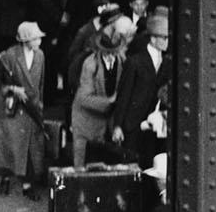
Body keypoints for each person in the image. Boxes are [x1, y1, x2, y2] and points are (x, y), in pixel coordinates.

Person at [0, 21, 47, 197]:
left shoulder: (40, 56)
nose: (39, 41)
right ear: (25, 40)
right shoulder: (10, 56)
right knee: (11, 144)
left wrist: (40, 104)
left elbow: (41, 83)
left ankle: (27, 185)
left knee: (30, 147)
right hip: (14, 107)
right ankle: (6, 178)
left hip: (31, 106)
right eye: (35, 38)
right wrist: (14, 89)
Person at [112, 12, 172, 168]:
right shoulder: (135, 62)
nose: (167, 42)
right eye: (164, 38)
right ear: (153, 39)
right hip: (133, 124)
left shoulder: (167, 63)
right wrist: (118, 125)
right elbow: (124, 94)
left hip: (154, 124)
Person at [71, 23, 128, 168]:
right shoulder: (90, 64)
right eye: (106, 52)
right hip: (86, 120)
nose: (110, 56)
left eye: (113, 52)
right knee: (82, 164)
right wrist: (110, 100)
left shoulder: (121, 61)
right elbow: (83, 98)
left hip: (105, 121)